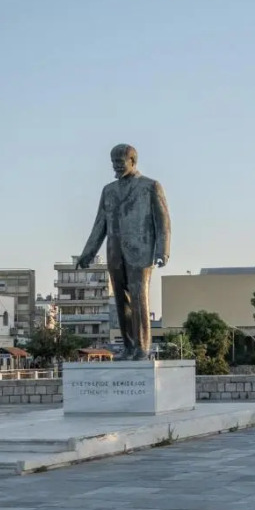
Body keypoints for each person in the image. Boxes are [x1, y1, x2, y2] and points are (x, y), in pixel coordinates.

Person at [77, 144, 170, 361]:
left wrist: (162, 250)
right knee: (121, 301)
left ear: (133, 161)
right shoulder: (108, 190)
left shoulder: (150, 186)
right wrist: (88, 252)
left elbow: (163, 220)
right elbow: (100, 223)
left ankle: (142, 347)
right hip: (115, 253)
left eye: (120, 163)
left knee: (139, 299)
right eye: (113, 164)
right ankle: (128, 347)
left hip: (142, 251)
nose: (116, 167)